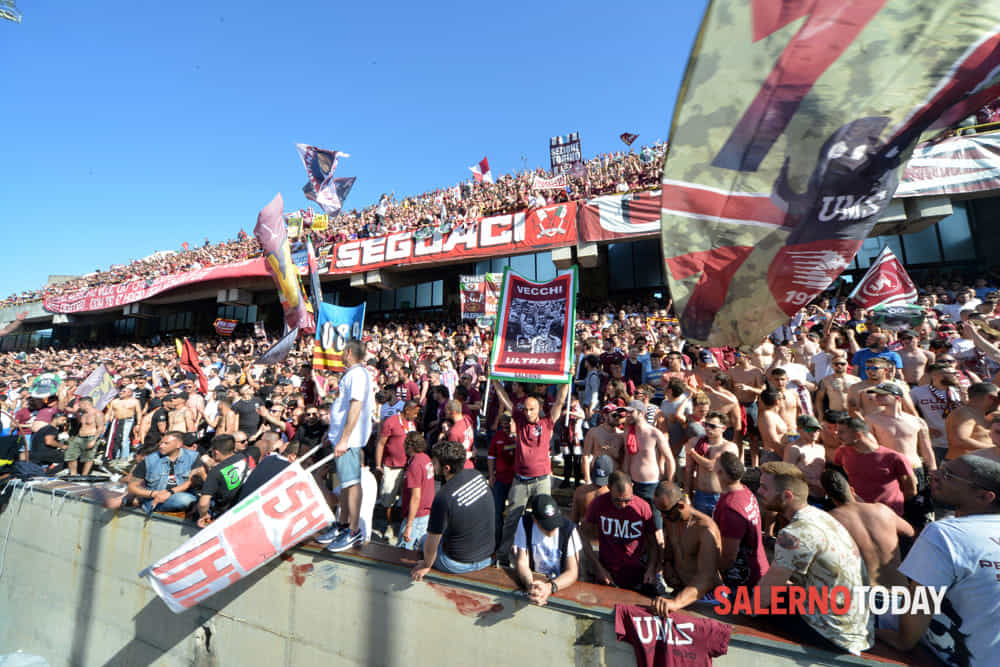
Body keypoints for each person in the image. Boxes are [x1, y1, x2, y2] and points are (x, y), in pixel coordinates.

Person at [879, 455, 1000, 666]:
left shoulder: (944, 533)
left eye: (948, 475)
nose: (934, 475)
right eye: (940, 469)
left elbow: (921, 604)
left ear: (984, 496)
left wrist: (900, 641)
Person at [754, 462, 874, 655]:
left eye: (764, 488)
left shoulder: (794, 534)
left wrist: (742, 607)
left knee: (746, 602)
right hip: (858, 629)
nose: (759, 491)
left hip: (835, 634)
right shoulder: (821, 517)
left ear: (787, 496)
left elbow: (763, 598)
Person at [490, 379, 570, 563]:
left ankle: (540, 558)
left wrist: (566, 380)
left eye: (531, 409)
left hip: (541, 481)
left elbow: (559, 401)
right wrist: (494, 381)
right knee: (511, 519)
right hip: (520, 481)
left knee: (543, 519)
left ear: (539, 409)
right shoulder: (519, 420)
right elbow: (505, 398)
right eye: (525, 409)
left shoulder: (547, 422)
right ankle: (502, 555)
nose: (527, 412)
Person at [318, 341, 375, 553]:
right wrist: (332, 433)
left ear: (349, 352)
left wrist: (344, 438)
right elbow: (343, 408)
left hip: (349, 440)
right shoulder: (354, 374)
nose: (341, 355)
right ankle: (342, 525)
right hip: (343, 438)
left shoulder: (358, 375)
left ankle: (353, 530)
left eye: (343, 351)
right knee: (345, 483)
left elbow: (356, 405)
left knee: (352, 484)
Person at [411, 440, 495, 579]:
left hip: (458, 564)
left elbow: (432, 541)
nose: (432, 464)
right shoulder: (477, 476)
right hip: (487, 557)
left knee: (422, 540)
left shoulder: (443, 498)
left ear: (447, 468)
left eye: (435, 462)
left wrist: (426, 565)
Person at [821, 467, 913, 588]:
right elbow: (910, 531)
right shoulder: (882, 510)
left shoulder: (830, 521)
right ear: (852, 489)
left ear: (827, 495)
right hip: (900, 593)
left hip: (866, 594)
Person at [865, 382, 937, 529]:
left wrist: (933, 470)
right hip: (888, 471)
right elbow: (872, 449)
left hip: (915, 469)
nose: (877, 397)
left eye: (882, 394)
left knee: (919, 512)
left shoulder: (916, 421)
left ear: (897, 397)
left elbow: (926, 449)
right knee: (890, 510)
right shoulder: (871, 419)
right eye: (876, 394)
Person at [650, 480, 722, 616]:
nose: (662, 516)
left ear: (681, 505)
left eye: (666, 513)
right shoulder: (671, 518)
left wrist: (676, 603)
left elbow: (706, 577)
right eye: (660, 512)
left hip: (708, 596)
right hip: (682, 591)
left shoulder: (706, 529)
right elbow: (670, 547)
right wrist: (668, 564)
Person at [580, 471, 657, 592]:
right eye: (617, 501)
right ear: (609, 488)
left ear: (632, 486)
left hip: (637, 576)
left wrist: (651, 569)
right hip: (608, 575)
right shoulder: (598, 504)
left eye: (627, 500)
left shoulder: (643, 507)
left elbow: (654, 543)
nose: (623, 505)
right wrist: (598, 568)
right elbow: (582, 535)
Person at [835, 417, 917, 516]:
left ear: (858, 435)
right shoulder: (842, 452)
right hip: (861, 514)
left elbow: (911, 490)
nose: (837, 435)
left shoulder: (894, 457)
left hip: (891, 516)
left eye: (841, 432)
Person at [513, 494, 582, 606]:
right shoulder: (525, 524)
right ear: (534, 519)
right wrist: (531, 585)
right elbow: (522, 561)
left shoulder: (569, 530)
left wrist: (550, 587)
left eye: (554, 525)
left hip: (560, 584)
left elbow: (573, 572)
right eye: (546, 527)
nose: (551, 531)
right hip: (536, 580)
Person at [713, 452, 768, 590]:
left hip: (745, 580)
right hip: (758, 568)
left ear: (719, 472)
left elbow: (728, 557)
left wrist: (708, 575)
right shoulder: (744, 491)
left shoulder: (731, 508)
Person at [622, 399, 674, 527]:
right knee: (635, 522)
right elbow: (628, 457)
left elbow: (670, 459)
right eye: (627, 412)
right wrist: (626, 478)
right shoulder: (628, 432)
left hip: (652, 485)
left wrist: (669, 482)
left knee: (656, 524)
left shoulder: (654, 433)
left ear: (641, 413)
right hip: (633, 483)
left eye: (631, 412)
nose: (627, 415)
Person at [375, 399, 419, 539]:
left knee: (407, 497)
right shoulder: (391, 422)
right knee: (388, 498)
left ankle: (403, 525)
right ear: (407, 410)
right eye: (415, 413)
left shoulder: (412, 424)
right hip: (392, 466)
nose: (416, 416)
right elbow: (381, 444)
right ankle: (389, 525)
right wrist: (378, 465)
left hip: (408, 467)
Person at [126, 431, 199, 514]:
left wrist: (169, 493)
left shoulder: (193, 457)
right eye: (161, 443)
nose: (161, 446)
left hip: (180, 496)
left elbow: (191, 481)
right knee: (186, 499)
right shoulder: (149, 460)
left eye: (166, 443)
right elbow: (131, 487)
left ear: (179, 445)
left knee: (188, 499)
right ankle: (145, 505)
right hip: (154, 499)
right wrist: (154, 494)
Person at [196, 433, 259, 527]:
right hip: (251, 504)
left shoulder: (216, 472)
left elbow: (203, 503)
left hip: (228, 513)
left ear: (216, 452)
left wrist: (204, 515)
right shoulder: (247, 458)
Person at [684, 411, 739, 517]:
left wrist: (692, 453)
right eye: (705, 425)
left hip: (720, 496)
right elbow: (689, 470)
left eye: (712, 426)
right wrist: (686, 493)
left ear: (723, 428)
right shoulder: (697, 443)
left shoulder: (728, 447)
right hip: (700, 495)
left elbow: (711, 466)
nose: (708, 429)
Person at [398, 432, 435, 550]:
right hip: (426, 513)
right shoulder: (425, 458)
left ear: (411, 446)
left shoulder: (415, 465)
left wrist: (409, 526)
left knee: (403, 551)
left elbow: (416, 497)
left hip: (417, 516)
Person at [945, 382, 999, 460]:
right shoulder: (964, 413)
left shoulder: (985, 414)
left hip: (981, 464)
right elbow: (959, 441)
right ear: (991, 397)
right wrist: (994, 449)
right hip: (964, 466)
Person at [782, 415, 827, 502]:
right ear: (799, 430)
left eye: (816, 430)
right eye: (809, 429)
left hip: (821, 496)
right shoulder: (794, 449)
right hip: (803, 497)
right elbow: (787, 473)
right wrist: (813, 482)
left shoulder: (821, 449)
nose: (813, 433)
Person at [582, 404, 625, 483]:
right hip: (598, 475)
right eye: (614, 415)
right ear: (605, 416)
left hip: (615, 477)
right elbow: (585, 456)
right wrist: (587, 479)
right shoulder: (594, 432)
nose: (617, 418)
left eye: (619, 415)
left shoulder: (621, 435)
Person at [570, 454, 613, 524]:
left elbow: (573, 521)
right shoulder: (612, 494)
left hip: (584, 533)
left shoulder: (579, 491)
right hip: (604, 533)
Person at [65, 396, 103, 475]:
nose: (78, 406)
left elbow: (100, 428)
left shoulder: (97, 413)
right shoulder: (82, 413)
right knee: (70, 455)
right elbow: (66, 409)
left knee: (88, 458)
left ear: (86, 404)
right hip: (79, 437)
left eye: (80, 404)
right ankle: (73, 474)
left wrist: (94, 440)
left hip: (91, 437)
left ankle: (84, 475)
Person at [105, 385, 142, 461]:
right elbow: (109, 412)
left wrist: (138, 424)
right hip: (116, 421)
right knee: (115, 439)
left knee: (124, 439)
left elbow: (139, 412)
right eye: (121, 391)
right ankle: (115, 456)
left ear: (129, 393)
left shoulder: (134, 401)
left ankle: (124, 458)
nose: (121, 392)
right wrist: (105, 423)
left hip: (128, 421)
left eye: (124, 391)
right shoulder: (115, 401)